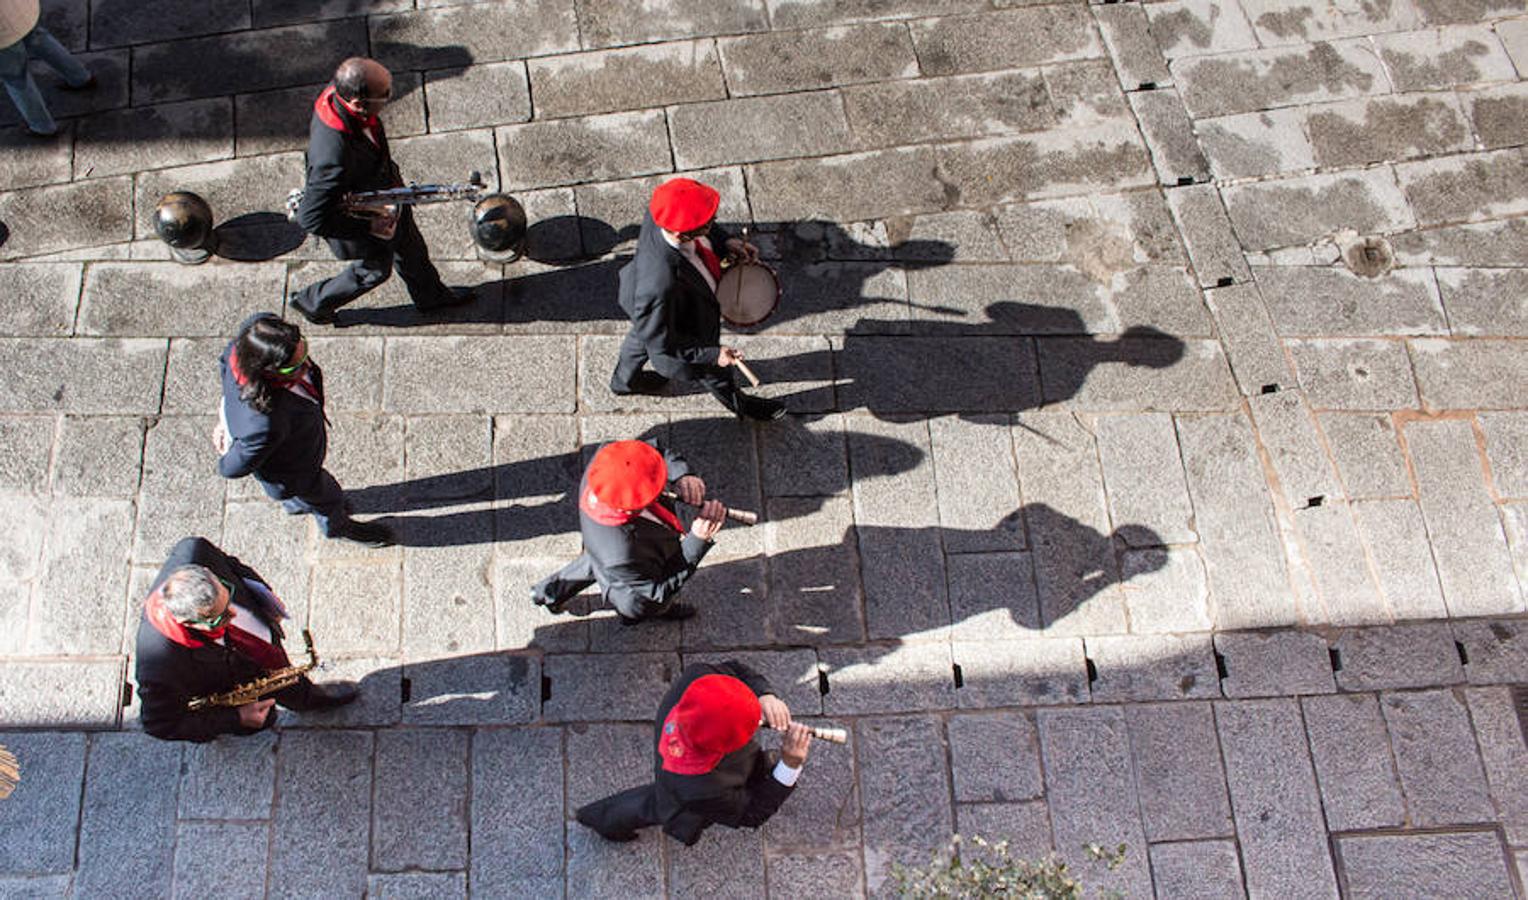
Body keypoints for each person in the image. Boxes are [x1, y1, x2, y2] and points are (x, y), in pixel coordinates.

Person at [289, 56, 472, 325]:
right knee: (374, 270)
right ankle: (312, 302)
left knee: (411, 247)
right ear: (357, 103)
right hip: (365, 218)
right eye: (384, 95)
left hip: (385, 195)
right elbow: (311, 218)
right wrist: (370, 227)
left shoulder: (342, 92)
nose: (389, 97)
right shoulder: (332, 156)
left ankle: (431, 296)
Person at [134, 537, 358, 742]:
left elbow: (232, 565)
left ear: (206, 572)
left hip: (260, 648)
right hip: (235, 684)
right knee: (265, 719)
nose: (233, 615)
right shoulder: (159, 668)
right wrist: (235, 718)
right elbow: (160, 724)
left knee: (288, 681)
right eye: (219, 617)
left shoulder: (195, 550)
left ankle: (306, 698)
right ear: (187, 622)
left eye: (228, 597)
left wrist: (264, 595)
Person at [575, 660, 814, 845]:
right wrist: (790, 765)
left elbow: (734, 669)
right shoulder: (701, 788)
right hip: (685, 785)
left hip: (683, 750)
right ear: (728, 744)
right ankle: (602, 819)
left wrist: (765, 695)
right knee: (657, 805)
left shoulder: (700, 678)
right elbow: (750, 814)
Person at [611, 177, 785, 421]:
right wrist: (714, 355)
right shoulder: (660, 284)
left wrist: (725, 243)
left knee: (643, 334)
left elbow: (702, 225)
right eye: (709, 222)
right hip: (681, 327)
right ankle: (743, 406)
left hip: (653, 306)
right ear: (682, 235)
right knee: (716, 374)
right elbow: (665, 344)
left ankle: (623, 382)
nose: (713, 223)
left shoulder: (663, 209)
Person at [214, 313, 394, 547]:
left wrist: (224, 413)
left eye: (305, 350)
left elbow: (224, 363)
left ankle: (296, 504)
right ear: (268, 370)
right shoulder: (263, 424)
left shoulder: (254, 333)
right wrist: (225, 433)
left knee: (305, 497)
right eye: (295, 367)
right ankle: (338, 528)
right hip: (295, 472)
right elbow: (231, 468)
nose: (308, 365)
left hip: (292, 453)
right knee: (329, 499)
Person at [531, 439, 725, 624]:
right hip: (635, 592)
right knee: (647, 603)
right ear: (628, 508)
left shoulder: (609, 458)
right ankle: (654, 613)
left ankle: (549, 592)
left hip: (603, 545)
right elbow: (658, 588)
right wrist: (697, 540)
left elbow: (649, 451)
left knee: (596, 562)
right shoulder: (622, 555)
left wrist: (681, 474)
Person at [0, 0, 94, 137]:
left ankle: (41, 126)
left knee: (15, 77)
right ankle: (80, 77)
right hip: (19, 10)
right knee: (40, 39)